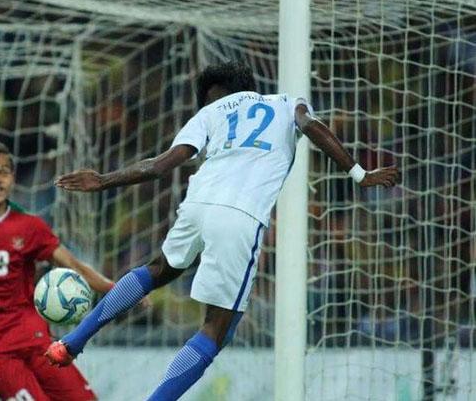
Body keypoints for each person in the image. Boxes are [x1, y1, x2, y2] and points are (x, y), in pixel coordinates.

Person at [45, 61, 401, 400]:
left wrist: (104, 179)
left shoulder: (208, 113)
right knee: (217, 330)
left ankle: (71, 342)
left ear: (211, 95)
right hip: (240, 216)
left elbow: (159, 166)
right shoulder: (285, 103)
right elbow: (313, 128)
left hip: (198, 203)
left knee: (158, 269)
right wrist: (360, 173)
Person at [0, 141, 114, 401]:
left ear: (13, 178)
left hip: (36, 341)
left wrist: (121, 291)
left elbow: (74, 265)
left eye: (4, 172)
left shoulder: (29, 226)